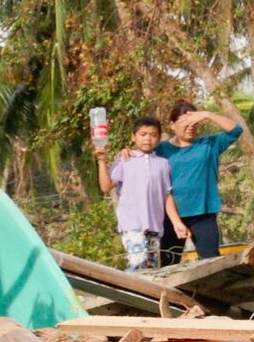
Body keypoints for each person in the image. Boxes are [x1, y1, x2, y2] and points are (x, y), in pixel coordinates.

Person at [158, 104, 244, 257]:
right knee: (167, 263)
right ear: (172, 125)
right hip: (171, 216)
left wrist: (207, 114)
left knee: (211, 260)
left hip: (203, 214)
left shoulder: (209, 144)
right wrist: (125, 152)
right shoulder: (161, 149)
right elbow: (140, 154)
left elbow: (236, 130)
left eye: (194, 123)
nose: (191, 127)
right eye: (185, 122)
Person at [99, 113, 178, 268]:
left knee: (150, 267)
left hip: (155, 225)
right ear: (133, 136)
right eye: (143, 134)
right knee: (137, 262)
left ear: (159, 137)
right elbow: (105, 186)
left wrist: (176, 223)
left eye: (153, 135)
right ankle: (125, 290)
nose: (148, 139)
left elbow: (166, 195)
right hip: (132, 223)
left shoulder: (163, 164)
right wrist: (101, 160)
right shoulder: (125, 159)